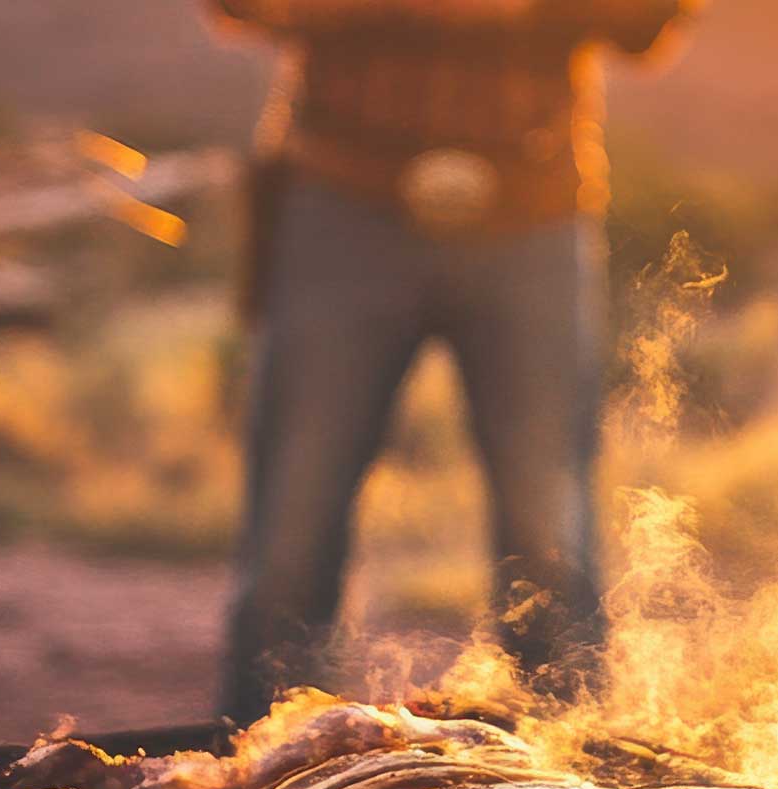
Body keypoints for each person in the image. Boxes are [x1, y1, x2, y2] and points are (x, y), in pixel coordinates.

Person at [206, 0, 699, 720]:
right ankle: (259, 762)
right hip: (340, 206)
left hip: (532, 213)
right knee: (292, 530)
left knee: (550, 534)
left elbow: (647, 22)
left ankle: (570, 778)